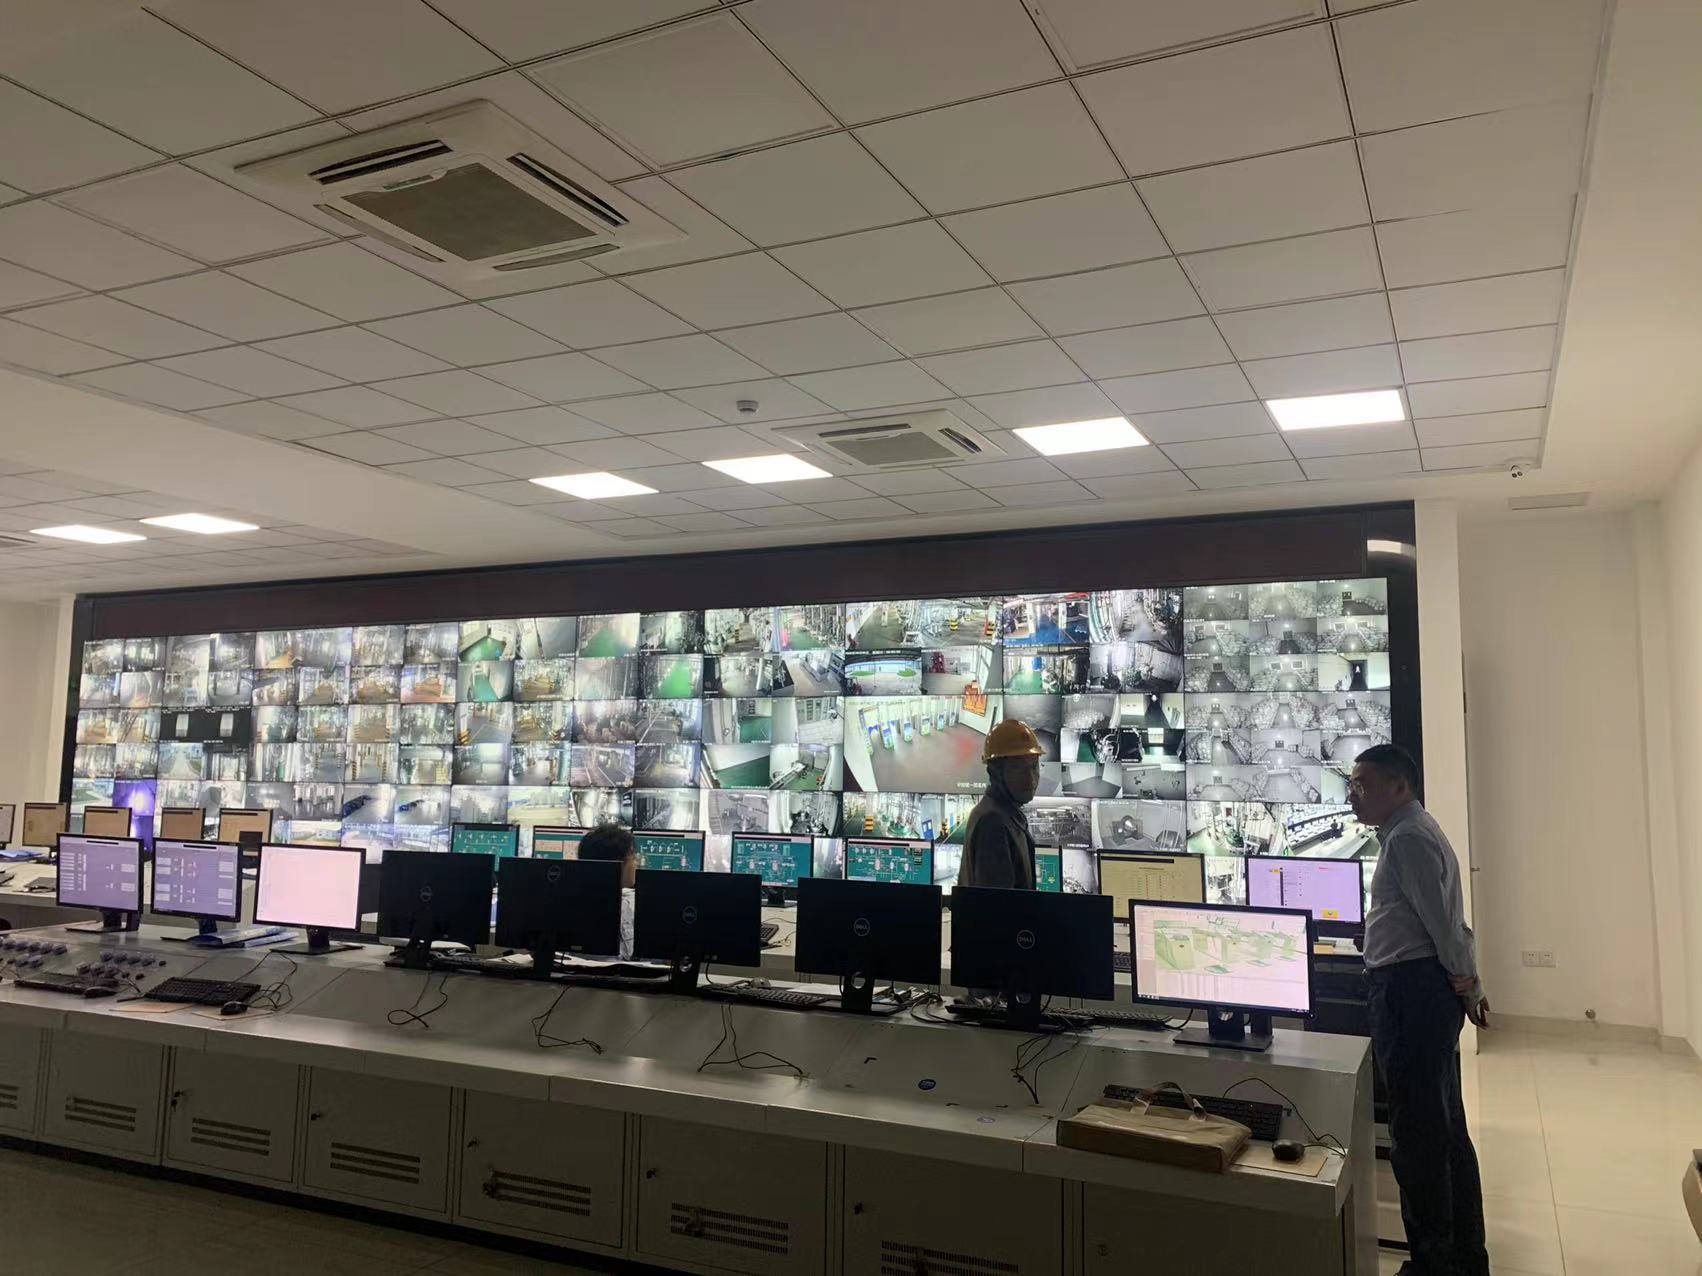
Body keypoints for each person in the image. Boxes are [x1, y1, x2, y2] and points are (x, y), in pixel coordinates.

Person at [1350, 744, 1489, 1276]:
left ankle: (1433, 1263)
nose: (1353, 795)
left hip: (1410, 996)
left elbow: (1445, 927)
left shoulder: (1407, 839)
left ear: (1399, 785)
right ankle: (1462, 1259)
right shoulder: (1410, 831)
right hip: (1416, 991)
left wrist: (1469, 984)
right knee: (1443, 1131)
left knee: (1418, 1141)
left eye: (1363, 785)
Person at [957, 719, 1043, 889]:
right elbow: (997, 904)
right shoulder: (992, 822)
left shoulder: (1007, 815)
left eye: (1034, 766)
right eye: (1019, 768)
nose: (1031, 778)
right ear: (996, 772)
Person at [575, 823, 637, 959]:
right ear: (617, 864)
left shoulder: (570, 906)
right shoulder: (635, 907)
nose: (636, 862)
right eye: (633, 855)